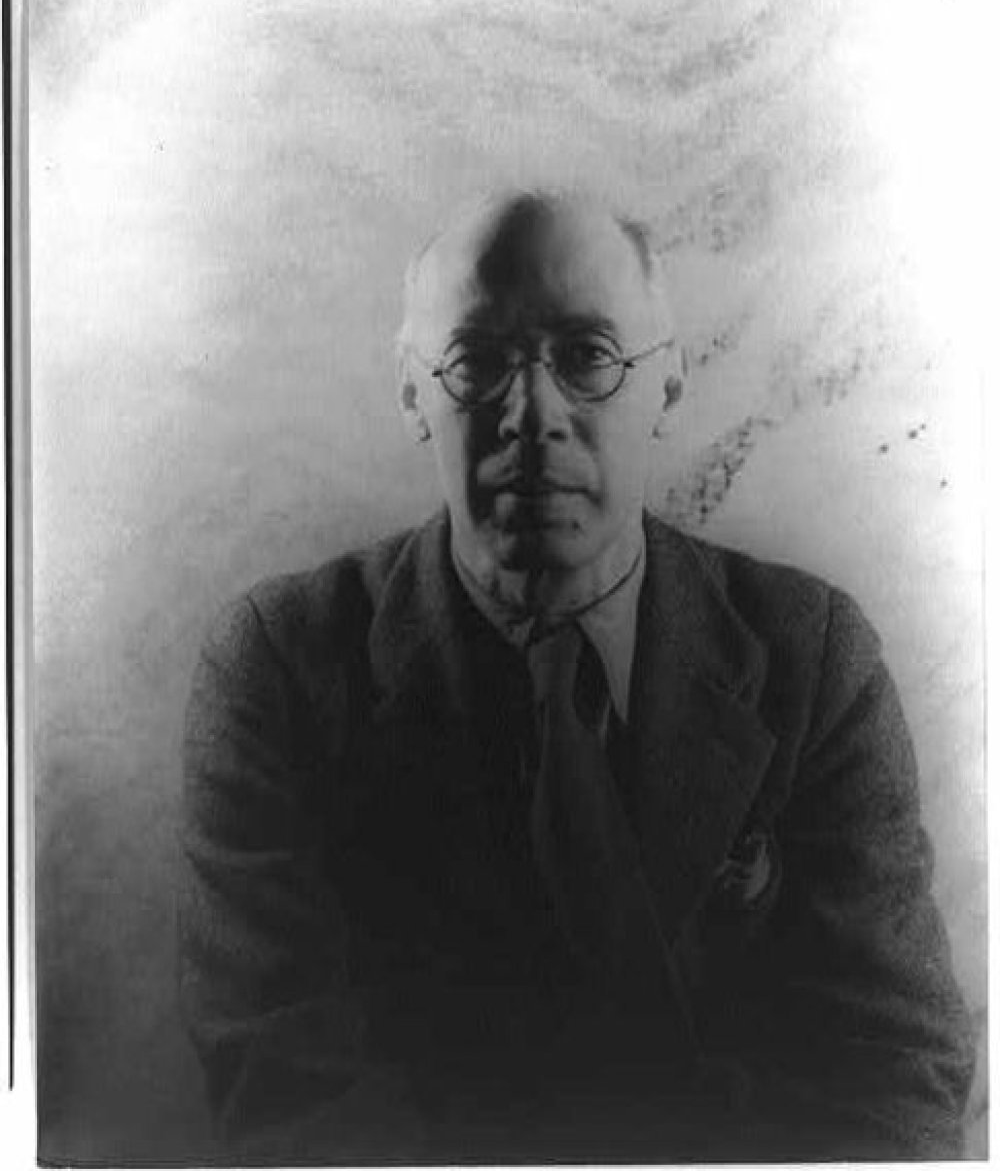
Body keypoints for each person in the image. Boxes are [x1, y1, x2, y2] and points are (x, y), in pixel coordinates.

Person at [179, 189, 974, 1162]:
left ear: (668, 386)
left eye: (588, 357)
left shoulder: (814, 660)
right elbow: (289, 1088)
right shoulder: (278, 669)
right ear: (411, 394)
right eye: (477, 362)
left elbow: (891, 1067)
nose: (533, 417)